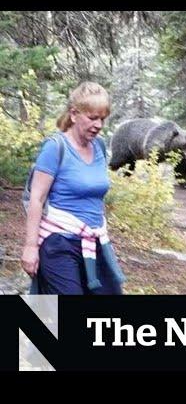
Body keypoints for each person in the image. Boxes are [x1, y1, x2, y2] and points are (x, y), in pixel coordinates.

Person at [21, 82, 125, 295]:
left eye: (102, 119)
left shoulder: (99, 147)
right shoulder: (55, 147)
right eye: (92, 117)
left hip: (93, 242)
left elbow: (95, 195)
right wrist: (31, 247)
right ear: (74, 114)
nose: (98, 125)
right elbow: (36, 199)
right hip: (59, 243)